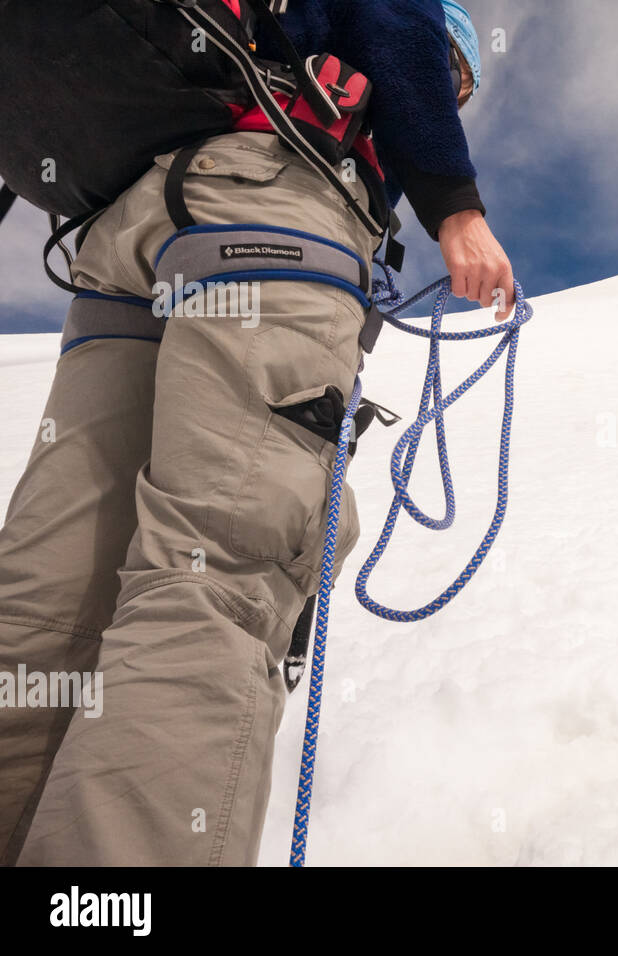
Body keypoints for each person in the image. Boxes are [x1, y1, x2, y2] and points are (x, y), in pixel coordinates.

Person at [0, 0, 510, 866]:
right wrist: (455, 206)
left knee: (44, 604)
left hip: (122, 237)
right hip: (266, 203)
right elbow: (396, 18)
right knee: (221, 566)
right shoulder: (380, 57)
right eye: (454, 77)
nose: (448, 94)